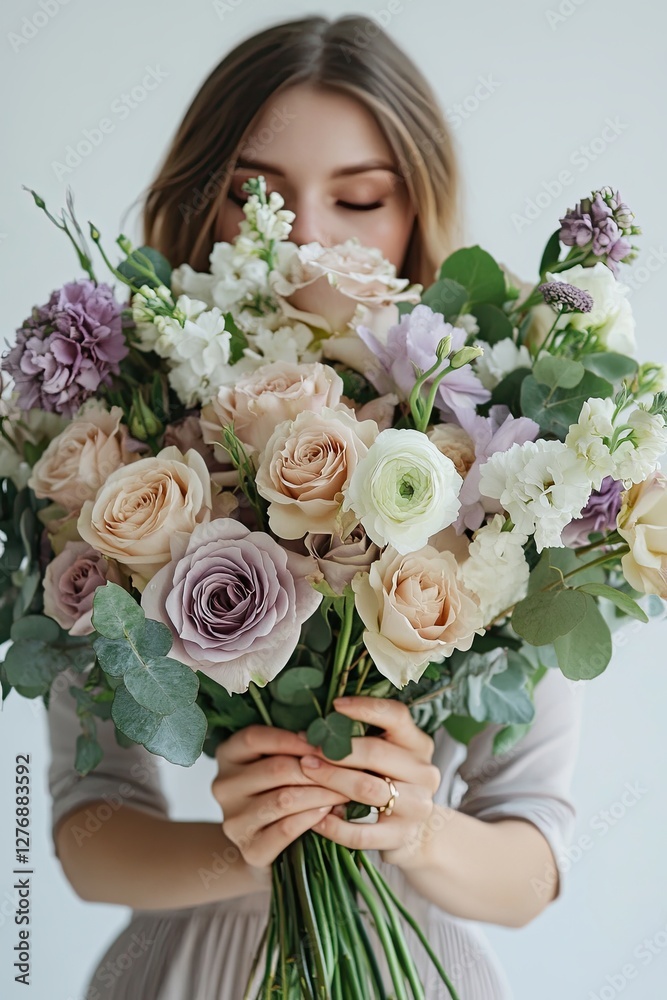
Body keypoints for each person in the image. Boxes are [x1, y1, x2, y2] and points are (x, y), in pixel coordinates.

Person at [47, 14, 586, 999]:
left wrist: (414, 829)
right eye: (254, 194)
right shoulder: (112, 450)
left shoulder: (501, 460)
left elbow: (534, 864)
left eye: (361, 197)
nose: (303, 237)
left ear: (416, 213)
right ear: (205, 207)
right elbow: (87, 835)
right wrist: (240, 848)